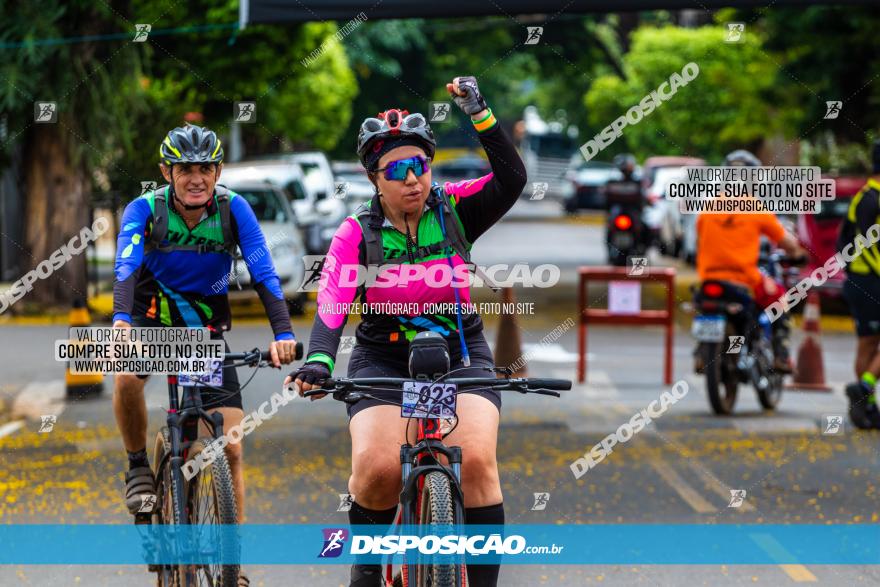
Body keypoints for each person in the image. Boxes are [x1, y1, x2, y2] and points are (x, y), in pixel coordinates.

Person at [285, 76, 526, 587]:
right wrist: (319, 362)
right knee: (377, 470)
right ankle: (367, 573)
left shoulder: (454, 210)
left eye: (420, 164)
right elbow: (332, 305)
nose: (413, 178)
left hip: (460, 354)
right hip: (383, 361)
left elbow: (512, 179)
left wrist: (478, 111)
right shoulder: (356, 233)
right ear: (373, 178)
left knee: (479, 462)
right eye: (397, 169)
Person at [112, 124, 299, 586]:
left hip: (204, 333)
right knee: (126, 378)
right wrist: (120, 323)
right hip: (150, 322)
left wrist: (283, 333)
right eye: (185, 169)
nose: (196, 178)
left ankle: (230, 565)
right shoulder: (144, 209)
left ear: (217, 170)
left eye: (205, 168)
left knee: (230, 447)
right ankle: (138, 464)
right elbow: (126, 266)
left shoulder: (234, 209)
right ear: (166, 172)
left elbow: (264, 274)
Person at [695, 149, 806, 373]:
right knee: (781, 301)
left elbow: (701, 241)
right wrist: (797, 254)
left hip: (709, 279)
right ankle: (781, 356)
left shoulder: (707, 209)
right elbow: (786, 242)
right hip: (743, 280)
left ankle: (701, 352)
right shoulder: (755, 209)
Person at [839, 139, 880, 429]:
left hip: (860, 281)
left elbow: (842, 242)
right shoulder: (872, 199)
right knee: (868, 344)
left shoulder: (864, 196)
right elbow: (869, 245)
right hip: (871, 280)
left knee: (867, 344)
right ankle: (865, 388)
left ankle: (865, 408)